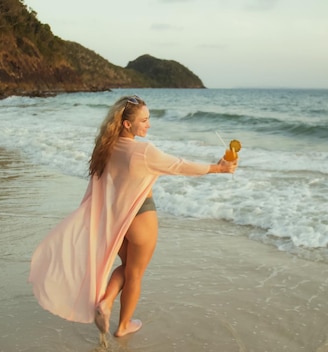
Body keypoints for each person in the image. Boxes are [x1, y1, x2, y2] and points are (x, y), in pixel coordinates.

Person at [28, 95, 237, 337]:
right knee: (135, 274)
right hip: (140, 217)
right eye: (144, 120)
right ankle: (123, 324)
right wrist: (218, 168)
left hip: (115, 220)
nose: (149, 124)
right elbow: (179, 165)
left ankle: (106, 302)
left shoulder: (105, 146)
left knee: (128, 268)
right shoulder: (143, 151)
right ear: (128, 124)